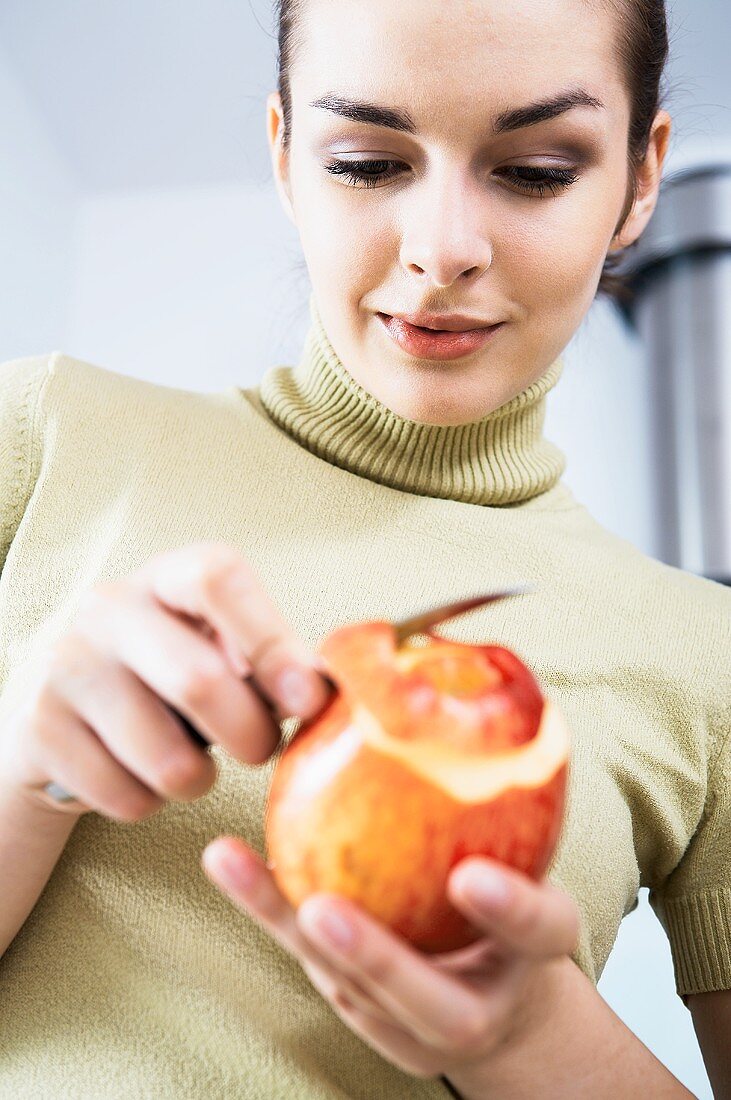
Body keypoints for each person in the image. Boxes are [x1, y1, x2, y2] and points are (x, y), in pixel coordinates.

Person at [0, 0, 729, 1096]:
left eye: (532, 169)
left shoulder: (709, 653)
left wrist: (527, 1037)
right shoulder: (39, 434)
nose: (441, 251)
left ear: (637, 179)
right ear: (286, 154)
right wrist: (23, 778)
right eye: (364, 160)